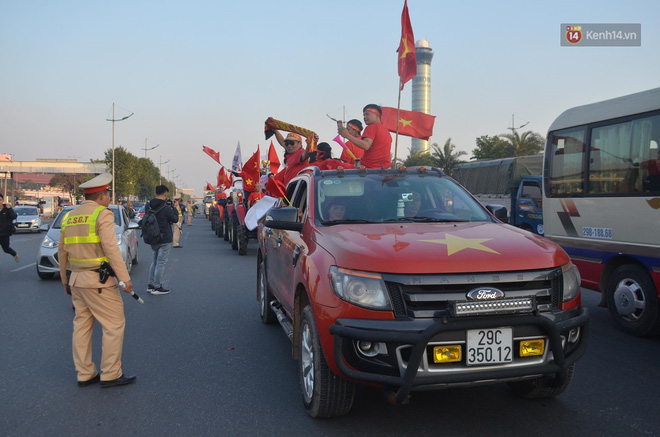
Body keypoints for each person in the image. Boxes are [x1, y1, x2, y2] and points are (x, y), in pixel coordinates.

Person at [57, 173, 136, 388]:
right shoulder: (103, 215)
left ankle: (85, 373)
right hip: (98, 282)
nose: (109, 197)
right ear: (101, 196)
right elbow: (111, 249)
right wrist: (125, 278)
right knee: (114, 324)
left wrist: (65, 281)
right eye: (108, 194)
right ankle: (111, 373)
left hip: (77, 282)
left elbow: (61, 252)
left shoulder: (69, 217)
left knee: (82, 326)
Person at [146, 185, 179, 295]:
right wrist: (174, 208)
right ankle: (157, 286)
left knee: (154, 261)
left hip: (153, 237)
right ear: (165, 194)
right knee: (161, 262)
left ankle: (150, 285)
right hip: (164, 238)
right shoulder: (166, 208)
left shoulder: (148, 205)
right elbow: (175, 219)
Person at [337, 104, 392, 169]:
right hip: (384, 169)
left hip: (369, 168)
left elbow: (366, 145)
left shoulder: (371, 127)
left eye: (367, 114)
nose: (364, 117)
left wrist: (348, 136)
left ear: (377, 115)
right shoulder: (386, 131)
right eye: (364, 115)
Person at [0, 193, 19, 262]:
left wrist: (10, 209)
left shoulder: (7, 209)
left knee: (6, 249)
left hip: (4, 233)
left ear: (2, 200)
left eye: (0, 200)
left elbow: (14, 216)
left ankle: (14, 254)